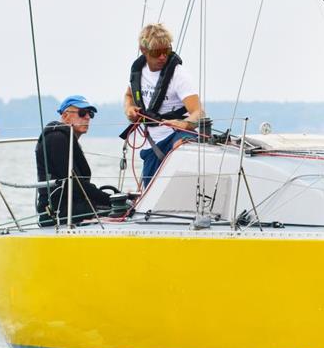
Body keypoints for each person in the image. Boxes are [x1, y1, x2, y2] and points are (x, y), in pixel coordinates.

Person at [123, 23, 203, 186]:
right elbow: (128, 95)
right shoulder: (138, 72)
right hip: (152, 141)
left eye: (166, 51)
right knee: (148, 191)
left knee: (182, 148)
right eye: (156, 52)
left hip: (177, 135)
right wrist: (129, 109)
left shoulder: (179, 75)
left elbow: (199, 112)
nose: (162, 57)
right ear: (143, 50)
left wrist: (184, 124)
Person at [35, 95, 112, 226]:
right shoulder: (56, 138)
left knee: (118, 207)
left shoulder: (66, 138)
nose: (87, 117)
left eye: (90, 114)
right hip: (57, 211)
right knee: (118, 209)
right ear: (65, 116)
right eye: (82, 113)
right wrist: (109, 199)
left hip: (72, 204)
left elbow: (78, 185)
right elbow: (75, 183)